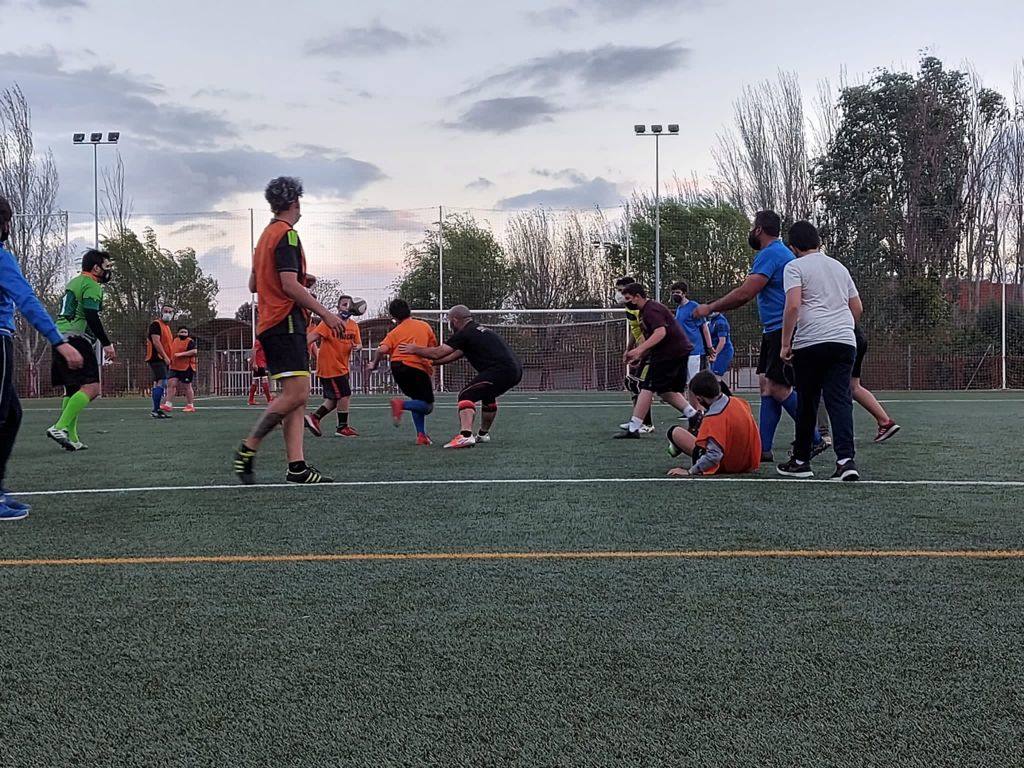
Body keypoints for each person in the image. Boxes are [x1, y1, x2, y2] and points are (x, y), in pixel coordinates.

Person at [233, 176, 342, 485]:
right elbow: (289, 285)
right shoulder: (287, 235)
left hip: (270, 322)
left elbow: (254, 284)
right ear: (295, 202)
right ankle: (248, 447)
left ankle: (297, 467)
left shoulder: (264, 238)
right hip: (286, 321)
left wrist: (297, 279)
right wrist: (326, 314)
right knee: (297, 393)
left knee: (296, 398)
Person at [694, 210, 823, 461]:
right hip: (773, 329)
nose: (752, 231)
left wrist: (709, 308)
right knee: (766, 386)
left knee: (777, 387)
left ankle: (815, 439)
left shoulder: (771, 253)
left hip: (782, 329)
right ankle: (763, 448)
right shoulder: (778, 253)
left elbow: (746, 293)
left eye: (753, 227)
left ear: (759, 230)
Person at [0, 195, 85, 519]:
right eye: (7, 221)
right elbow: (27, 300)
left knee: (12, 414)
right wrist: (58, 341)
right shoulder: (2, 258)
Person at [776, 221, 862, 481]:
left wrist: (785, 343)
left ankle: (801, 461)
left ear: (793, 247)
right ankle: (846, 461)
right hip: (844, 341)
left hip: (811, 341)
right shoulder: (839, 267)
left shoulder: (794, 267)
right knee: (840, 400)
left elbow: (793, 306)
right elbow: (857, 307)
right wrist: (842, 328)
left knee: (808, 401)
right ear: (818, 242)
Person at [398, 305, 523, 449]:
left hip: (501, 371)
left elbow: (437, 353)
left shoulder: (464, 333)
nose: (449, 324)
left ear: (455, 320)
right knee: (487, 395)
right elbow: (451, 356)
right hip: (515, 371)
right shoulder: (478, 331)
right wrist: (427, 363)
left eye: (449, 321)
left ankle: (465, 436)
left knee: (465, 395)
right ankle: (483, 434)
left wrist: (414, 349)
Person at [47, 249, 116, 453]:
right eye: (106, 266)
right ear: (95, 268)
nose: (108, 270)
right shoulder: (91, 284)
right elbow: (91, 315)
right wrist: (106, 343)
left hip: (60, 339)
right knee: (92, 388)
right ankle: (59, 427)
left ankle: (72, 437)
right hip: (77, 338)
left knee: (72, 389)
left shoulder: (74, 282)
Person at [613, 283, 699, 439]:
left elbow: (660, 333)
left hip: (670, 353)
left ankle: (634, 428)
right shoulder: (646, 311)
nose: (626, 302)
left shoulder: (651, 310)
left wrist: (639, 350)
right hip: (675, 352)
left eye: (628, 298)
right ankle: (694, 416)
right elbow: (652, 336)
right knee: (665, 391)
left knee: (647, 387)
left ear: (637, 297)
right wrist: (640, 354)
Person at [815, 326, 900, 446]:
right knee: (853, 385)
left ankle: (823, 434)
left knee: (819, 385)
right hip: (854, 337)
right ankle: (885, 422)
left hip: (839, 339)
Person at [366, 298, 436, 446]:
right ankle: (400, 404)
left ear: (394, 317)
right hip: (415, 366)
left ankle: (421, 435)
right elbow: (432, 350)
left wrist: (374, 364)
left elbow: (382, 350)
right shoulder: (424, 326)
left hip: (397, 367)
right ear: (409, 311)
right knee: (427, 406)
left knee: (417, 400)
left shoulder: (394, 332)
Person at [665, 371, 760, 478]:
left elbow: (714, 456)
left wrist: (690, 471)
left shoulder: (713, 418)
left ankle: (677, 446)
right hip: (748, 462)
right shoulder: (740, 402)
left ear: (699, 398)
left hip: (726, 464)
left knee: (674, 432)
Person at [305, 295, 362, 438]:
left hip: (343, 367)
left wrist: (358, 347)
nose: (347, 307)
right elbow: (311, 338)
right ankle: (342, 427)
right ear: (337, 307)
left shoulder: (354, 326)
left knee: (335, 399)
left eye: (349, 304)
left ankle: (314, 418)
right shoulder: (329, 323)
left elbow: (359, 344)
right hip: (330, 367)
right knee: (344, 395)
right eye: (344, 304)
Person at [614, 275, 654, 433]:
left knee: (642, 385)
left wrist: (642, 351)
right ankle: (638, 421)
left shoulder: (643, 309)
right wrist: (629, 348)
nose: (618, 294)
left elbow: (650, 331)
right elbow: (635, 329)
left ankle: (646, 424)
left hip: (652, 352)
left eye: (621, 291)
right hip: (644, 351)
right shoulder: (629, 308)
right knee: (634, 384)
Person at [670, 280, 716, 387]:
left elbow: (704, 327)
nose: (675, 295)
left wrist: (709, 347)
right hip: (683, 352)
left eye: (677, 292)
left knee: (695, 383)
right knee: (685, 383)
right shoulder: (679, 309)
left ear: (684, 293)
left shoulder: (694, 306)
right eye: (673, 293)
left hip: (695, 352)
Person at [147, 305, 174, 419]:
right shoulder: (156, 324)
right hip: (157, 358)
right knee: (161, 381)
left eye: (170, 312)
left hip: (164, 359)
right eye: (165, 311)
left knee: (160, 382)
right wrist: (165, 357)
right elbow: (156, 342)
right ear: (161, 312)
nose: (167, 313)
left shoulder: (167, 328)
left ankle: (156, 409)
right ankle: (156, 410)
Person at [164, 326, 197, 413]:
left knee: (187, 386)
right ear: (178, 333)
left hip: (186, 367)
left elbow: (194, 351)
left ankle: (190, 405)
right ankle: (168, 404)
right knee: (171, 384)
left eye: (185, 332)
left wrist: (181, 354)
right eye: (182, 332)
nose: (183, 334)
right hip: (174, 367)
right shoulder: (175, 340)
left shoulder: (190, 341)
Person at [708, 311, 734, 391]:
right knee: (713, 376)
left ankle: (724, 396)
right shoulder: (711, 321)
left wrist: (715, 354)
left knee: (716, 377)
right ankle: (726, 396)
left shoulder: (720, 322)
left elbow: (722, 341)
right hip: (716, 351)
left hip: (723, 352)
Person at [247, 338, 273, 405]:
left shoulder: (263, 341)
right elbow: (254, 351)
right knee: (264, 380)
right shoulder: (259, 341)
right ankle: (269, 399)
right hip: (259, 364)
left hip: (261, 364)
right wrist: (254, 363)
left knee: (255, 381)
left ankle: (251, 400)